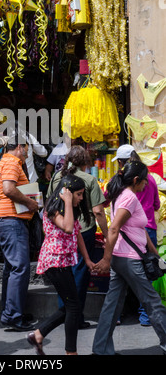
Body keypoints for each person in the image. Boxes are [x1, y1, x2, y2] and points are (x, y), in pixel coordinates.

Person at [92, 161, 166, 355]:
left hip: (123, 257)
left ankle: (101, 349)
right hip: (128, 259)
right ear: (135, 180)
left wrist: (152, 250)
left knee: (113, 305)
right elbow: (115, 228)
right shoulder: (129, 197)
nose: (146, 185)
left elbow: (135, 228)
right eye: (144, 182)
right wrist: (106, 259)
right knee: (152, 301)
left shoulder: (122, 195)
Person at [27, 175, 95, 355]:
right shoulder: (53, 208)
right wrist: (66, 201)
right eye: (78, 195)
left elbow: (77, 234)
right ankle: (70, 352)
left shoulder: (69, 210)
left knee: (71, 305)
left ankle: (39, 335)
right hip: (54, 261)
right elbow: (67, 228)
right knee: (73, 305)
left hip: (64, 261)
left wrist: (87, 260)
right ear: (67, 193)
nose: (81, 198)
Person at [47, 145, 108, 328]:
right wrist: (107, 235)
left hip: (61, 231)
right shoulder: (89, 179)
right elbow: (98, 211)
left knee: (64, 275)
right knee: (80, 275)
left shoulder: (57, 177)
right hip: (83, 229)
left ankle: (64, 315)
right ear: (85, 162)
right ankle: (75, 318)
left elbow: (50, 203)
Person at [0, 134, 39, 331]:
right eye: (27, 149)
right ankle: (13, 315)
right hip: (11, 221)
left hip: (6, 220)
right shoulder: (12, 162)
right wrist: (31, 203)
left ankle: (11, 310)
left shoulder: (3, 162)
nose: (27, 153)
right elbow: (9, 189)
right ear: (19, 146)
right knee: (20, 268)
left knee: (11, 269)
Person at [111, 144, 160, 325]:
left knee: (127, 277)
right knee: (147, 273)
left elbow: (109, 200)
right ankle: (145, 316)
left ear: (123, 163)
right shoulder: (152, 180)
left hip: (132, 233)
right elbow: (156, 205)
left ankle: (118, 315)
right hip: (148, 229)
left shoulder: (122, 184)